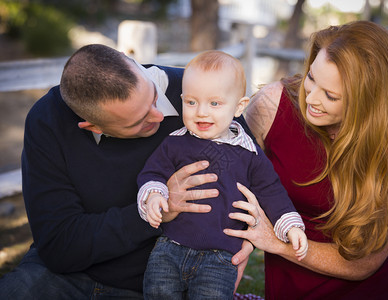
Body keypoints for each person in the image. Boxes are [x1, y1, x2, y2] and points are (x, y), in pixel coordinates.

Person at [0, 44, 253, 299]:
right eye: (139, 121)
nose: (157, 116)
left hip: (162, 279)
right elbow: (59, 246)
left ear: (130, 62)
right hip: (66, 277)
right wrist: (153, 211)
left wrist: (249, 238)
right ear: (93, 127)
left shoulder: (201, 97)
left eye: (153, 97)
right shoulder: (48, 121)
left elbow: (257, 180)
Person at [224, 21, 388, 299]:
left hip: (378, 279)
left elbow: (366, 262)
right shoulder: (273, 105)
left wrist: (275, 242)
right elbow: (225, 173)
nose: (310, 99)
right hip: (296, 281)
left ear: (369, 102)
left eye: (331, 95)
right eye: (311, 78)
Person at [136, 50, 308, 299]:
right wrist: (153, 195)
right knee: (158, 292)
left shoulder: (248, 153)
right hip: (170, 247)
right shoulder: (175, 143)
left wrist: (290, 226)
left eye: (214, 103)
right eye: (191, 102)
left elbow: (271, 191)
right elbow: (153, 172)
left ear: (239, 106)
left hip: (220, 255)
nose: (201, 112)